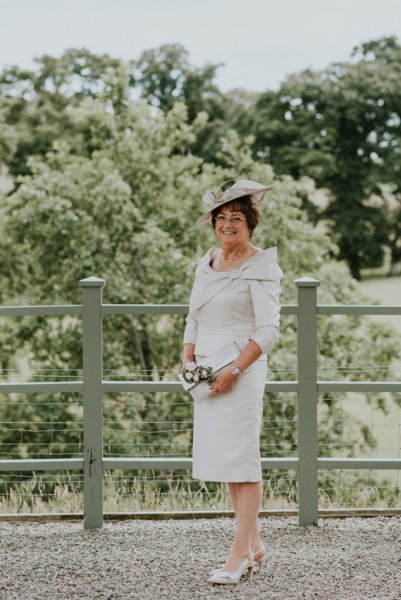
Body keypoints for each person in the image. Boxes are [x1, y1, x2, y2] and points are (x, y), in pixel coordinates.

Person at [182, 179, 283, 585]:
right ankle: (255, 544)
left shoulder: (261, 266)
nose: (227, 225)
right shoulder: (207, 263)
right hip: (206, 371)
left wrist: (235, 369)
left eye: (235, 218)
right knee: (227, 461)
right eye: (221, 218)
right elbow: (193, 316)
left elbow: (269, 329)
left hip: (239, 371)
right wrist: (189, 356)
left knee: (243, 460)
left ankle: (239, 555)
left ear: (250, 223)